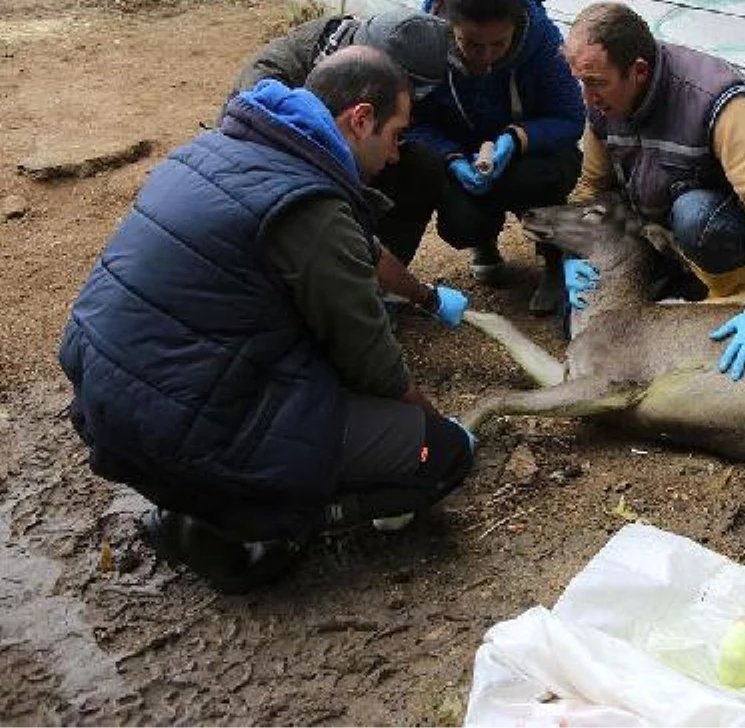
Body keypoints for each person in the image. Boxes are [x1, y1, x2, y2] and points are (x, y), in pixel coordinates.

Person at [59, 47, 477, 594]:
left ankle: (200, 499)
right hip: (181, 430)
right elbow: (371, 361)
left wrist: (424, 297)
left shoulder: (233, 146)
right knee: (435, 455)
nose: (398, 155)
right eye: (397, 134)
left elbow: (363, 251)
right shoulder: (312, 209)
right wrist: (435, 425)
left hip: (109, 403)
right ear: (361, 119)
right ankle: (252, 524)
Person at [562, 1, 745, 381]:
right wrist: (574, 254)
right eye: (581, 81)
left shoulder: (714, 98)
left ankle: (734, 295)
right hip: (658, 233)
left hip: (718, 232)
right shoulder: (602, 104)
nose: (587, 96)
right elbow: (593, 187)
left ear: (638, 71)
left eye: (596, 82)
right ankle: (678, 281)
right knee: (583, 331)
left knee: (696, 215)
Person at [227, 6, 468, 327]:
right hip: (277, 189)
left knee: (422, 167)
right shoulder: (269, 86)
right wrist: (423, 295)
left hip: (337, 160)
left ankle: (374, 290)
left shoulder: (377, 51)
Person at [408, 0, 586, 314]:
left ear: (516, 25)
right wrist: (451, 159)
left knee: (539, 177)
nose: (486, 57)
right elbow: (414, 123)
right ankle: (482, 239)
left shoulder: (542, 39)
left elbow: (570, 116)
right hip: (465, 155)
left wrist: (516, 138)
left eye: (498, 44)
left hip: (527, 157)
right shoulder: (424, 43)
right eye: (472, 44)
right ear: (449, 26)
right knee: (459, 223)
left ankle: (555, 259)